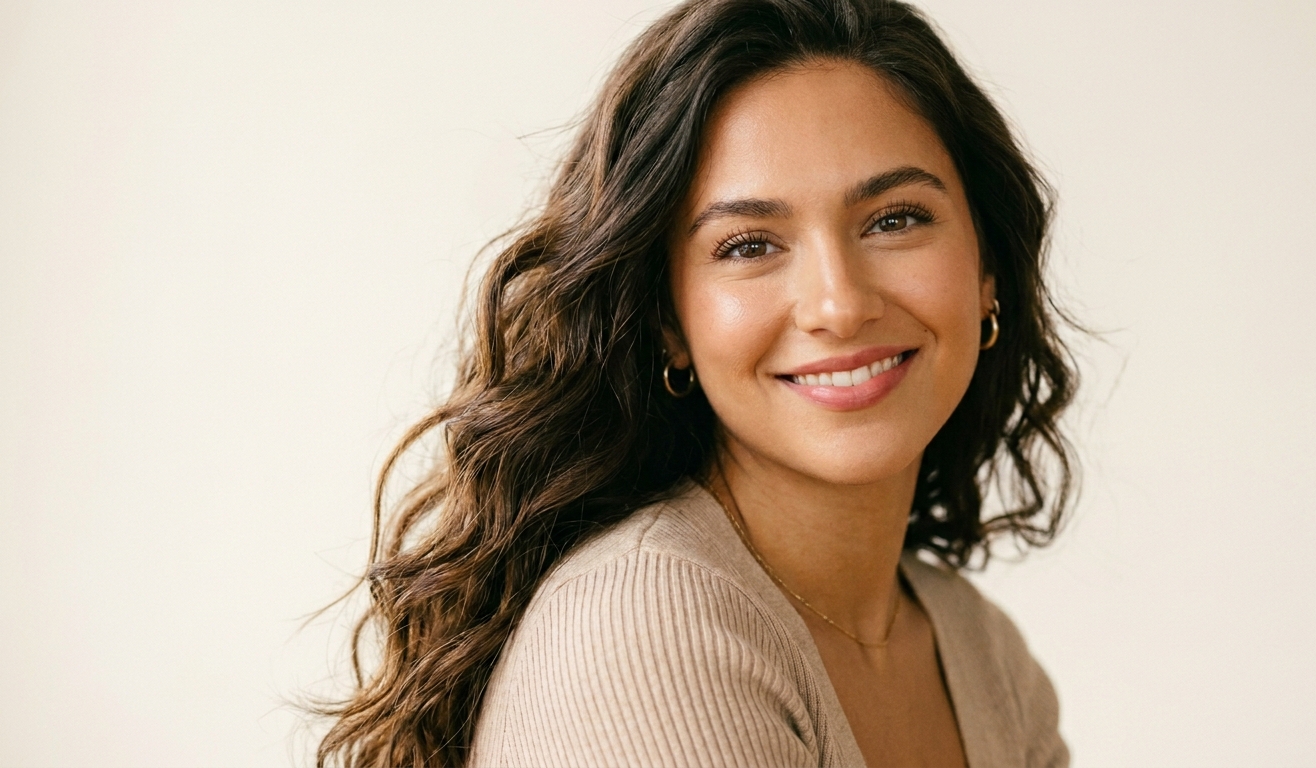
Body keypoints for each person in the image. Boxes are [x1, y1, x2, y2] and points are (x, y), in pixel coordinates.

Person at [317, 0, 1077, 765]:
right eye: (749, 245)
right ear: (669, 323)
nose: (840, 305)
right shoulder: (650, 627)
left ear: (987, 270)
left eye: (895, 220)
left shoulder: (982, 654)